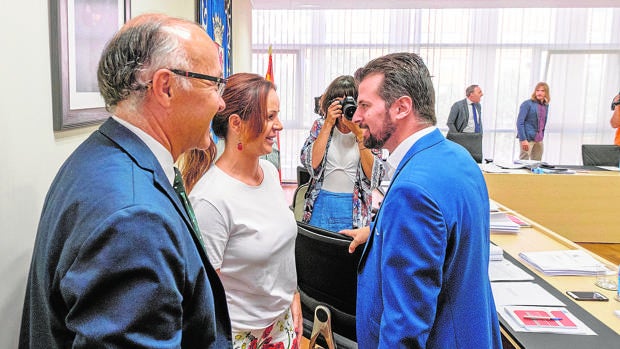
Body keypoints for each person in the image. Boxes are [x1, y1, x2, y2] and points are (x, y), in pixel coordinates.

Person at [19, 14, 232, 348]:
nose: (221, 102)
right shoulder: (135, 218)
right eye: (214, 84)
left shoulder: (98, 153)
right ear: (166, 87)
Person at [343, 52, 502, 348]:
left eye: (365, 105)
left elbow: (405, 324)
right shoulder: (458, 157)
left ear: (402, 107)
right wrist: (380, 231)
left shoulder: (412, 191)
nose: (356, 117)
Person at [181, 73, 302, 349]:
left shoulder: (270, 173)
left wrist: (292, 295)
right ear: (237, 123)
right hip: (242, 336)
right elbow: (204, 297)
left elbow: (281, 249)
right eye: (270, 117)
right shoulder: (210, 200)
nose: (279, 125)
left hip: (282, 325)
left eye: (278, 115)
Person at [300, 75, 384, 231]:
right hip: (320, 203)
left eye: (350, 102)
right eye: (339, 102)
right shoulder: (320, 126)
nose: (345, 107)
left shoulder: (368, 130)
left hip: (354, 208)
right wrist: (328, 124)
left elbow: (375, 178)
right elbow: (310, 164)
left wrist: (359, 135)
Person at [517, 82, 550, 161]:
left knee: (537, 164)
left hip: (539, 139)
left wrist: (541, 136)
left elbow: (542, 122)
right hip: (527, 139)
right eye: (537, 90)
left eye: (542, 91)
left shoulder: (546, 105)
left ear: (546, 93)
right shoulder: (527, 104)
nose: (539, 93)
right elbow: (519, 122)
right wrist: (523, 139)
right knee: (523, 163)